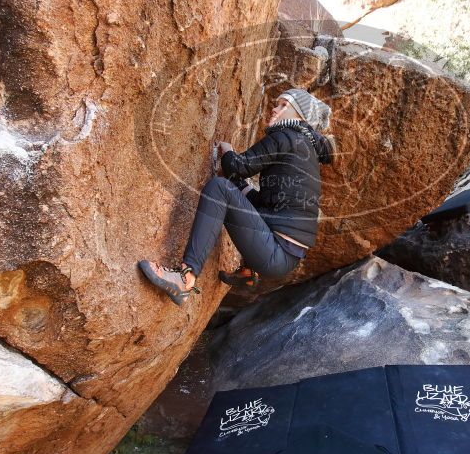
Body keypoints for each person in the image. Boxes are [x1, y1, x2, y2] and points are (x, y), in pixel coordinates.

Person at [139, 88, 334, 305]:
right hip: (285, 256)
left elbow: (239, 166)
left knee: (218, 188)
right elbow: (264, 204)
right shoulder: (306, 150)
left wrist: (228, 151)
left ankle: (185, 279)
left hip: (275, 251)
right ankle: (248, 273)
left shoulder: (286, 137)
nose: (274, 108)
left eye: (283, 105)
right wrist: (238, 183)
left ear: (299, 116)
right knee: (233, 191)